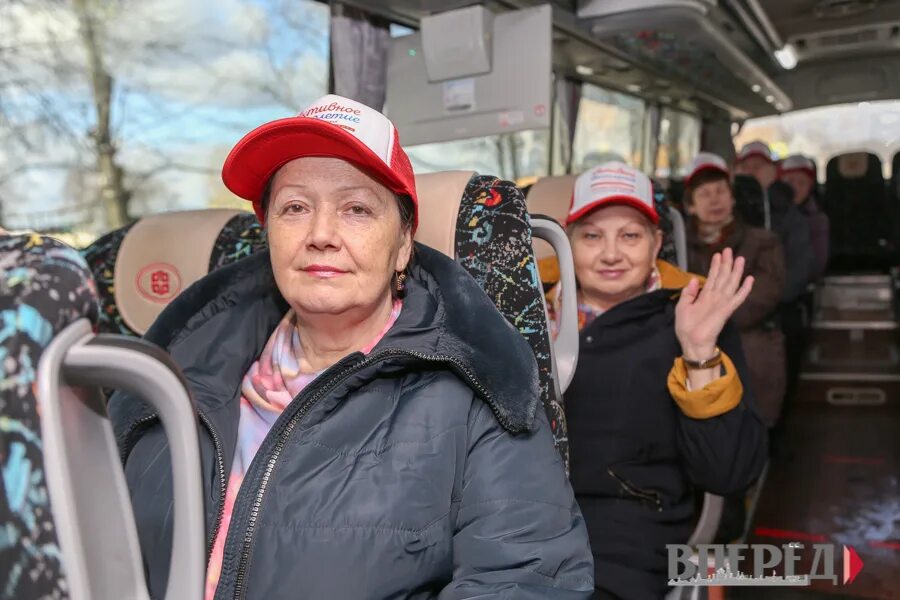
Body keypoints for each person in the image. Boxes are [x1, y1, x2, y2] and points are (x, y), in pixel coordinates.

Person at [110, 94, 594, 600]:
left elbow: (526, 581)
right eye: (295, 208)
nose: (321, 234)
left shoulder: (481, 391)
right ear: (269, 234)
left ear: (404, 243)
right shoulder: (173, 371)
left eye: (357, 209)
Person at [547, 162, 768, 599]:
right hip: (515, 516)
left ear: (657, 245)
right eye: (592, 236)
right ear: (567, 243)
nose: (611, 254)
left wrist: (700, 353)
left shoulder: (692, 317)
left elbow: (729, 474)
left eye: (630, 236)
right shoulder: (522, 309)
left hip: (627, 534)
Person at [684, 152, 787, 428]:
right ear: (691, 206)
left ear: (732, 199)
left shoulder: (763, 242)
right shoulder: (679, 249)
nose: (714, 200)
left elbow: (764, 296)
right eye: (704, 194)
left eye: (720, 191)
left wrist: (706, 317)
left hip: (748, 339)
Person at [735, 141, 812, 304]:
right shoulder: (725, 209)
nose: (751, 172)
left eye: (758, 166)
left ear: (773, 171)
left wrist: (768, 301)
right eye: (745, 166)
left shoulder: (790, 215)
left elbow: (798, 269)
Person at [779, 155, 829, 281]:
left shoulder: (818, 220)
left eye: (801, 183)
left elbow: (817, 264)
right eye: (790, 182)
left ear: (810, 186)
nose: (795, 188)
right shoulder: (772, 215)